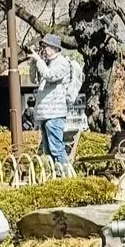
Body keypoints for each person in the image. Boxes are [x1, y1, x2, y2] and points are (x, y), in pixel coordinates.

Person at [31, 35, 83, 176]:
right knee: (48, 150)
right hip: (45, 113)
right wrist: (34, 62)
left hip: (55, 112)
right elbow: (33, 79)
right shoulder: (47, 62)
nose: (43, 50)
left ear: (55, 48)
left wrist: (39, 61)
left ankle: (67, 176)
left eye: (46, 47)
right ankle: (57, 176)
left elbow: (50, 76)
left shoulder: (62, 63)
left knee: (56, 148)